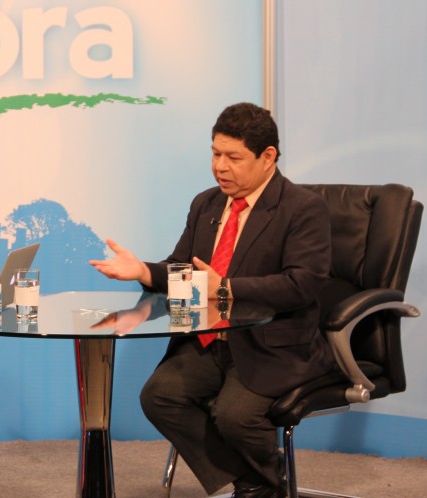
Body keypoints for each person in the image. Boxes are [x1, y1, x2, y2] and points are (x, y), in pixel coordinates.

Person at [90, 103, 334, 498]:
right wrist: (144, 272)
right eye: (215, 154)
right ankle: (256, 481)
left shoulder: (302, 208)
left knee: (235, 416)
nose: (220, 166)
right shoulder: (206, 203)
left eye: (233, 157)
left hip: (273, 345)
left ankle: (262, 484)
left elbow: (301, 285)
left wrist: (226, 288)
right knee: (159, 396)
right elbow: (184, 270)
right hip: (210, 340)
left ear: (267, 156)